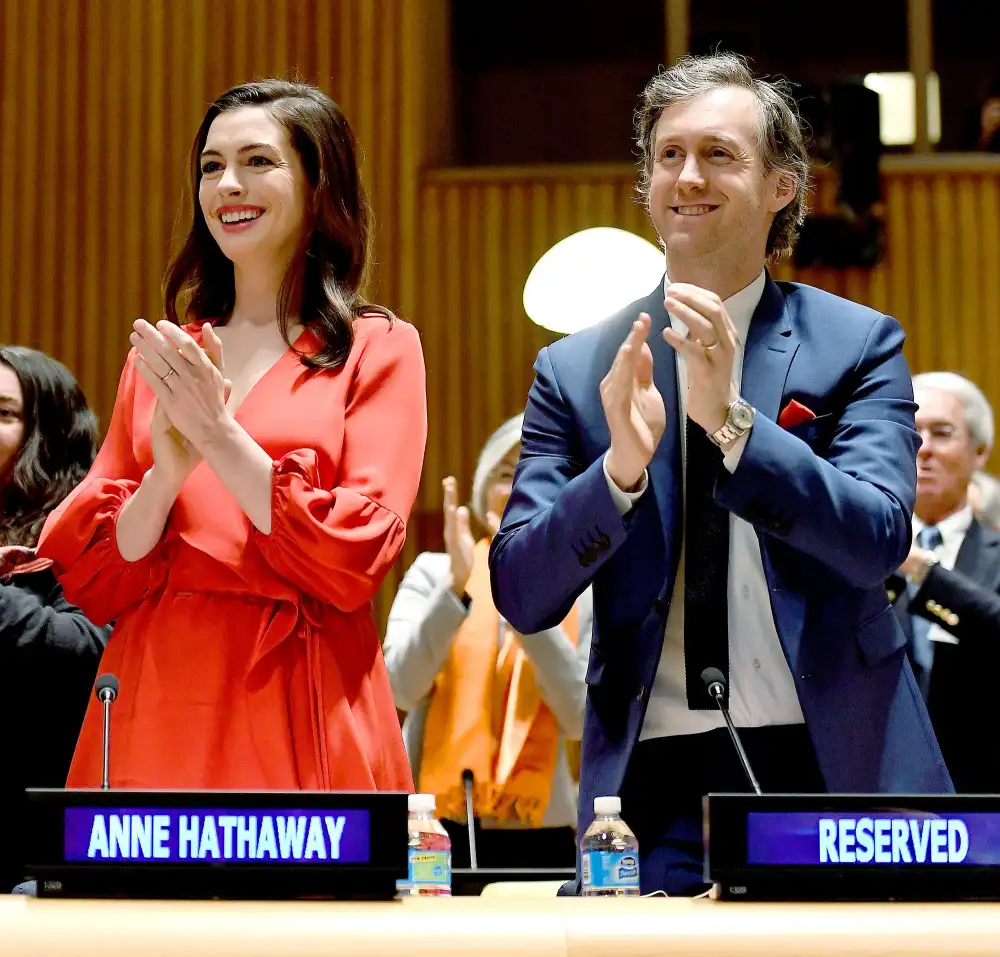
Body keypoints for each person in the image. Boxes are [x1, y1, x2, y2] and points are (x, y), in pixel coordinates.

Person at [489, 53, 951, 897]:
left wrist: (734, 426)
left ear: (782, 185)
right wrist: (618, 473)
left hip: (831, 761)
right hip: (650, 790)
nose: (687, 177)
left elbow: (878, 539)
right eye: (668, 155)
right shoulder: (575, 368)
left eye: (718, 154)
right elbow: (521, 592)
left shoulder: (857, 343)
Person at [38, 79, 427, 791]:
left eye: (258, 161)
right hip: (159, 681)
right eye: (211, 166)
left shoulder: (380, 346)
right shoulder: (164, 354)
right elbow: (102, 569)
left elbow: (355, 555)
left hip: (302, 684)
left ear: (318, 183)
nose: (228, 185)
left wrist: (218, 435)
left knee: (307, 899)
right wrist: (166, 474)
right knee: (144, 898)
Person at [383, 415, 591, 869]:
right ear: (481, 492)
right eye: (503, 473)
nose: (516, 486)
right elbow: (398, 687)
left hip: (544, 828)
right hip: (436, 828)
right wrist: (456, 589)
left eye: (533, 472)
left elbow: (581, 716)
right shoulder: (434, 573)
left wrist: (523, 594)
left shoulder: (580, 592)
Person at [0, 347, 110, 890]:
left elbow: (91, 649)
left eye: (3, 413)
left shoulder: (82, 529)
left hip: (35, 824)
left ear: (48, 431)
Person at [887, 372, 1000, 792]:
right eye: (911, 432)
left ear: (980, 452)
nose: (924, 448)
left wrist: (920, 567)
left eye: (942, 433)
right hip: (878, 787)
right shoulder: (860, 555)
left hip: (984, 786)